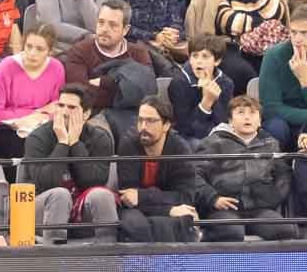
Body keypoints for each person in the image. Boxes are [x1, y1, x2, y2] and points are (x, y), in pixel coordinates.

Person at [19, 83, 118, 244]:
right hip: (41, 210)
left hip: (80, 210)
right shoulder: (37, 137)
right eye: (61, 105)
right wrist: (63, 143)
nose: (64, 111)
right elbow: (46, 183)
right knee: (60, 194)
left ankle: (108, 254)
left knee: (102, 195)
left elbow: (94, 182)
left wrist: (75, 144)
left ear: (86, 114)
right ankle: (54, 256)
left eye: (71, 107)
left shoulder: (100, 138)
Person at [197, 95, 298, 242]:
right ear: (230, 121)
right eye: (241, 112)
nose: (247, 117)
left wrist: (273, 197)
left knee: (285, 230)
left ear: (259, 121)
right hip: (224, 208)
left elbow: (284, 175)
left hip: (260, 208)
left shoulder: (271, 144)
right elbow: (194, 175)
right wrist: (213, 198)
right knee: (232, 232)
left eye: (252, 113)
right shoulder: (213, 143)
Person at [115, 97, 202, 243]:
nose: (143, 126)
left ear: (166, 125)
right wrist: (167, 209)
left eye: (150, 121)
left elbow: (185, 196)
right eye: (140, 120)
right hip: (138, 210)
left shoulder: (179, 149)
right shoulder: (128, 144)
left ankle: (175, 264)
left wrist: (142, 197)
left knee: (181, 219)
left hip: (165, 206)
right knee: (134, 224)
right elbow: (128, 197)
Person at [62, 0, 158, 129]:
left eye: (113, 25)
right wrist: (125, 89)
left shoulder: (139, 53)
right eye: (101, 22)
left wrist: (104, 82)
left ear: (125, 30)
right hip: (92, 117)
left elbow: (147, 92)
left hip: (132, 116)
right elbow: (80, 96)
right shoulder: (79, 51)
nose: (105, 29)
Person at [0, 23, 65, 159]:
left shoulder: (56, 68)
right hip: (7, 128)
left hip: (41, 125)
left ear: (50, 51)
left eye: (40, 49)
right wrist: (34, 114)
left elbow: (57, 107)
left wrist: (35, 118)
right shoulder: (6, 66)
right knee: (19, 144)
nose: (32, 53)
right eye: (29, 46)